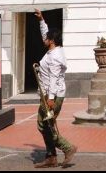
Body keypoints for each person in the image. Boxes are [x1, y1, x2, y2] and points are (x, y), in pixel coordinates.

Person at [33, 9, 77, 168]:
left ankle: (67, 148)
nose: (44, 39)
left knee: (48, 125)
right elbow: (46, 33)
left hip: (53, 95)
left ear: (51, 40)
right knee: (42, 124)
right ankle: (51, 156)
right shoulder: (53, 50)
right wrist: (41, 20)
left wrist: (50, 98)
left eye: (47, 38)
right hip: (47, 94)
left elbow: (54, 78)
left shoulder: (56, 56)